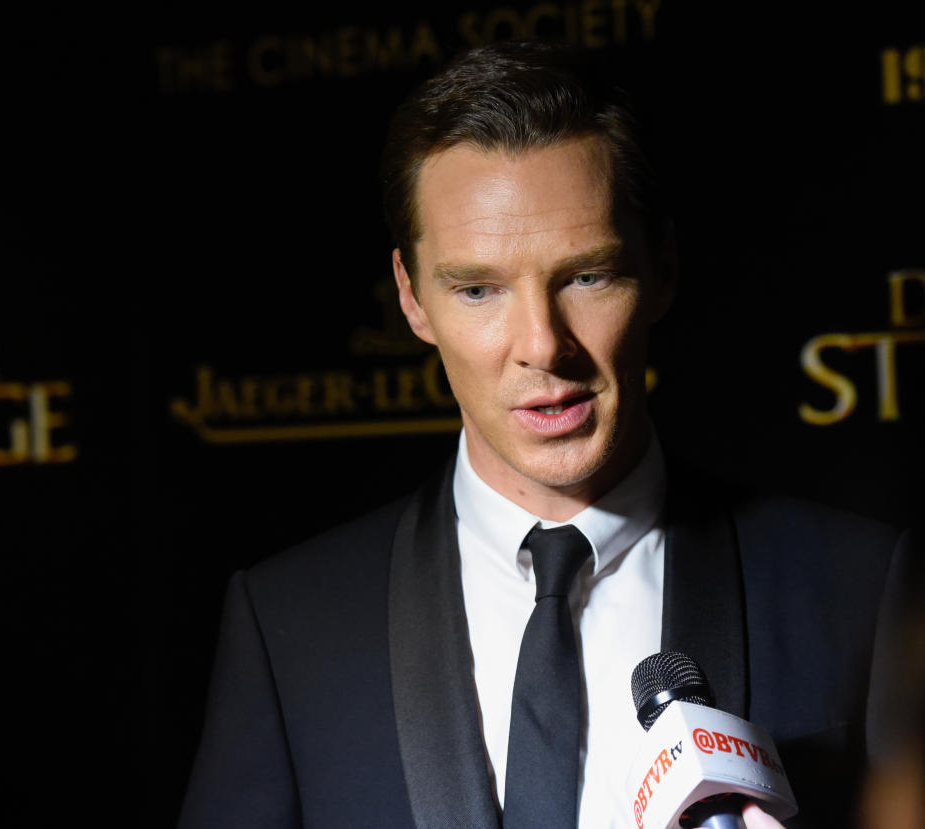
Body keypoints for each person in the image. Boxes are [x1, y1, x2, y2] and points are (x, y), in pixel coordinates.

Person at [178, 41, 914, 829]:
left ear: (661, 266)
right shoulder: (290, 620)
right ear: (412, 299)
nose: (543, 343)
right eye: (478, 289)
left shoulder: (859, 589)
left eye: (587, 276)